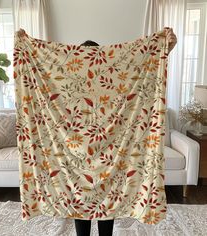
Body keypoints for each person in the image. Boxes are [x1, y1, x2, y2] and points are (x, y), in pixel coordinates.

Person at [74, 28, 177, 236]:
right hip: (80, 157)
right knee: (82, 205)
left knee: (108, 202)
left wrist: (167, 46)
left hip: (109, 155)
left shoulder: (112, 84)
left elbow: (142, 68)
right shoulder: (72, 85)